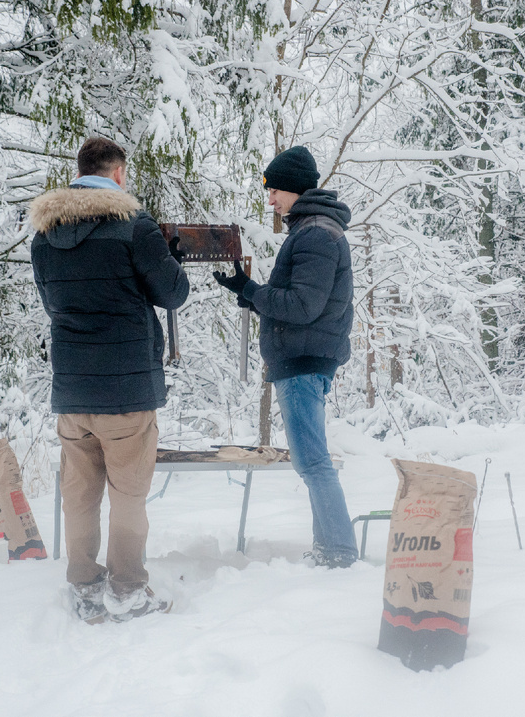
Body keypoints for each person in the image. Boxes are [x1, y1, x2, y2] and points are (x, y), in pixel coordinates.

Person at [30, 136, 188, 622]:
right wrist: (171, 255)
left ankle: (83, 583)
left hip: (73, 390)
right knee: (128, 496)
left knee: (79, 494)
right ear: (118, 174)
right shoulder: (134, 227)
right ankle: (127, 589)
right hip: (126, 391)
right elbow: (173, 294)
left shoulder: (44, 235)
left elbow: (52, 304)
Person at [213, 146, 359, 568]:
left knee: (312, 461)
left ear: (294, 188)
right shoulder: (311, 230)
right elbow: (299, 303)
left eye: (274, 189)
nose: (271, 199)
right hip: (303, 357)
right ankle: (330, 547)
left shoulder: (315, 233)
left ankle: (338, 551)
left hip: (303, 362)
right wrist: (248, 291)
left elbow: (302, 307)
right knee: (311, 460)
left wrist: (253, 292)